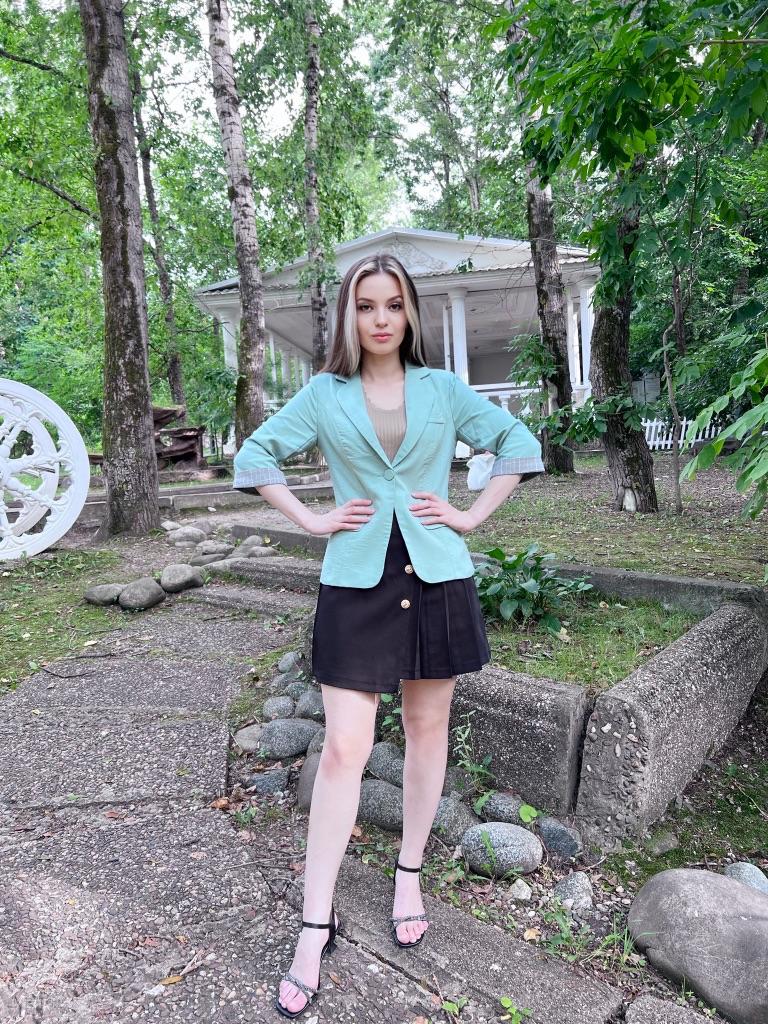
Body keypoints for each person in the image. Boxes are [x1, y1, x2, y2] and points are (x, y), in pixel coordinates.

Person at [232, 253, 544, 1018]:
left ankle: (409, 872)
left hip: (437, 576)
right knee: (345, 748)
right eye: (366, 305)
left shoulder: (442, 389)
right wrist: (312, 520)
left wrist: (469, 516)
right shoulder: (324, 394)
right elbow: (254, 455)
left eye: (393, 304)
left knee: (427, 728)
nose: (380, 318)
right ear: (349, 315)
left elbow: (519, 444)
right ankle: (315, 923)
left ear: (410, 313)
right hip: (356, 582)